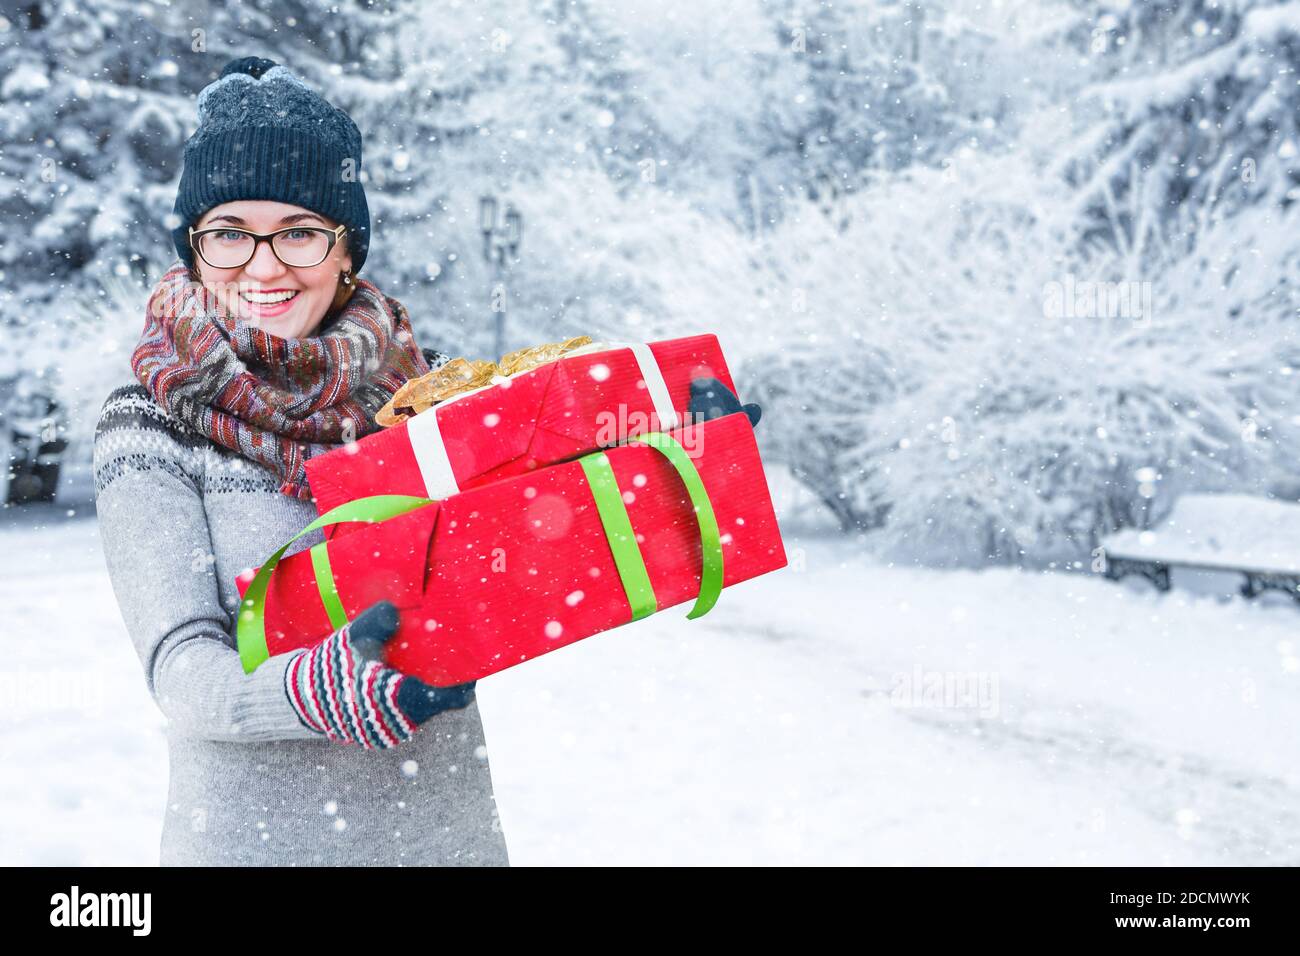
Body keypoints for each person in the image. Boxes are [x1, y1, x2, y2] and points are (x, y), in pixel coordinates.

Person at [93, 57, 510, 866]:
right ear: (193, 247)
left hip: (450, 845)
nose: (264, 265)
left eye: (298, 230)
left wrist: (670, 470)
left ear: (346, 247)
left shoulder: (423, 400)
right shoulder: (152, 422)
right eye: (228, 233)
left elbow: (543, 548)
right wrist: (316, 689)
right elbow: (182, 670)